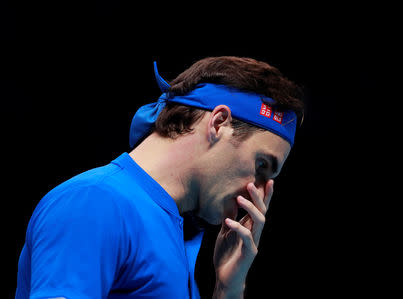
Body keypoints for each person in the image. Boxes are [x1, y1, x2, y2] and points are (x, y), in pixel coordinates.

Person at [16, 56, 305, 298]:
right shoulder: (94, 202)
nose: (255, 193)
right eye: (261, 166)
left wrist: (228, 290)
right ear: (218, 123)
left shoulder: (175, 230)